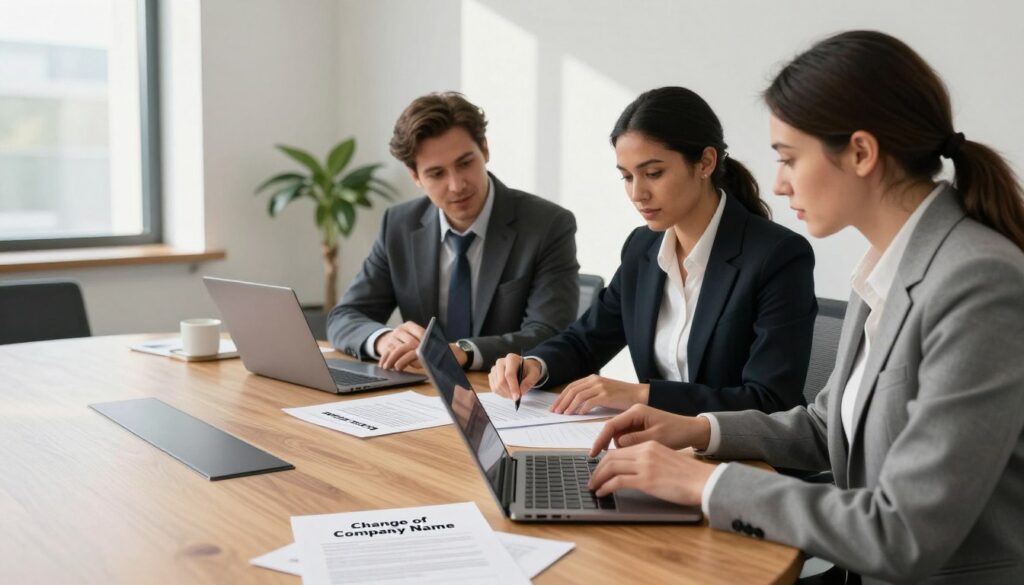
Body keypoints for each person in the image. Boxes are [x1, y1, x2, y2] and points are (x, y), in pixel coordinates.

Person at [588, 31, 1024, 585]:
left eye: (789, 158)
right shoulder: (887, 264)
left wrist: (704, 484)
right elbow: (825, 425)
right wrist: (696, 430)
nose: (778, 182)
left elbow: (905, 532)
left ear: (861, 153)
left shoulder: (977, 281)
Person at [489, 87, 816, 416]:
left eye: (653, 173)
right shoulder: (642, 248)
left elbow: (770, 400)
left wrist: (642, 396)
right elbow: (586, 341)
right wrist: (534, 364)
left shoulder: (778, 256)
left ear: (705, 162)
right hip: (658, 447)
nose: (637, 193)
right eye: (627, 177)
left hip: (739, 456)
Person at [327, 92, 580, 371]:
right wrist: (382, 339)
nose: (457, 185)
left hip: (511, 397)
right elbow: (345, 316)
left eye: (465, 163)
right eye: (436, 174)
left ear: (484, 150)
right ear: (415, 177)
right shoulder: (399, 225)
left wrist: (464, 352)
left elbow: (549, 333)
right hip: (424, 394)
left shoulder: (547, 225)